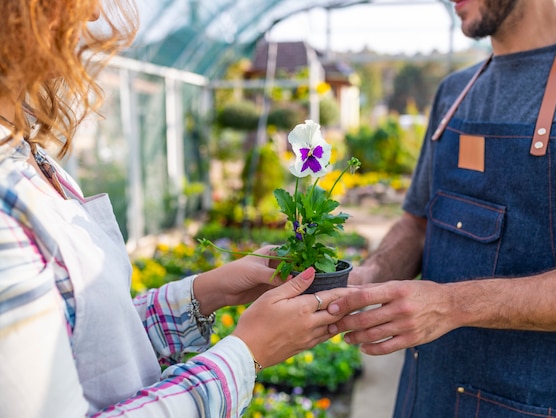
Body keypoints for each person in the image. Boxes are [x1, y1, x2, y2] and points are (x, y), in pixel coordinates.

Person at [0, 1, 354, 417]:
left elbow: (93, 348)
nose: (93, 14)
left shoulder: (28, 159)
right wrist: (247, 353)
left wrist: (204, 294)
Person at [328, 0, 556, 416]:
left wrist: (452, 305)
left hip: (541, 404)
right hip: (425, 396)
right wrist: (369, 277)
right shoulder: (455, 91)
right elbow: (417, 223)